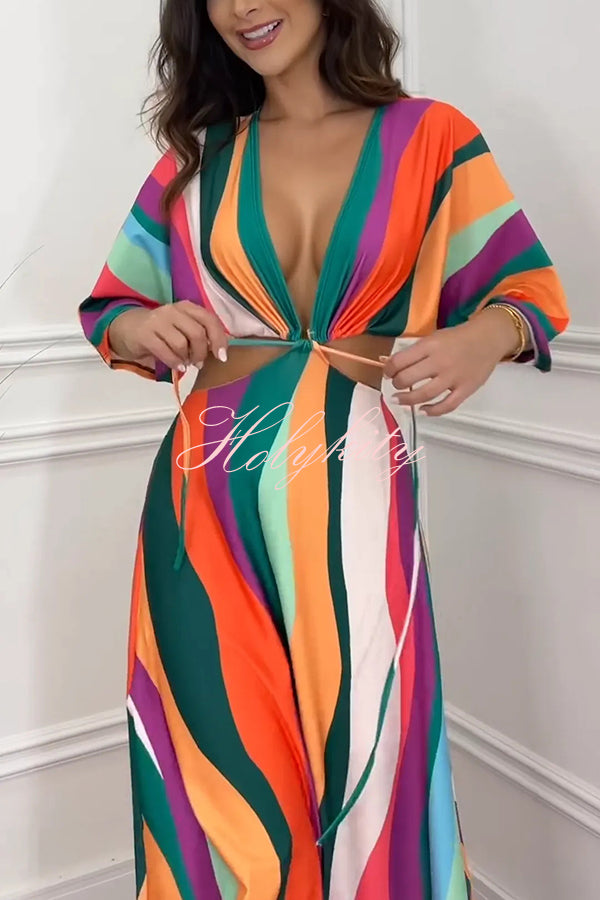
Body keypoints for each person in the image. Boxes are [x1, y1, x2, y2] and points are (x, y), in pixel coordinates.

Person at [78, 1, 570, 897]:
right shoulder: (197, 158)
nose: (241, 7)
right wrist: (144, 326)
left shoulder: (431, 138)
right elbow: (111, 308)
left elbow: (527, 289)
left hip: (353, 486)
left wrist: (481, 337)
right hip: (204, 495)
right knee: (217, 766)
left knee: (372, 753)